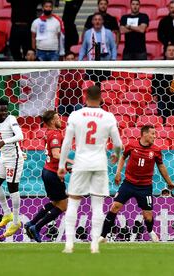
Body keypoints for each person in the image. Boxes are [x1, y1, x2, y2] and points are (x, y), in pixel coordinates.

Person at [58, 85, 122, 254]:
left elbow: (66, 142)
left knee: (73, 203)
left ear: (85, 98)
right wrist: (115, 155)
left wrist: (61, 165)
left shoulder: (75, 115)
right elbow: (118, 144)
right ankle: (94, 245)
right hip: (99, 164)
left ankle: (69, 244)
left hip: (80, 163)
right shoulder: (108, 116)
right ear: (101, 98)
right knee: (98, 206)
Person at [99, 125, 174, 243]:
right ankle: (103, 236)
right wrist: (118, 172)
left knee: (147, 216)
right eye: (153, 134)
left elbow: (161, 166)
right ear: (144, 134)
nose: (155, 136)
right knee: (115, 207)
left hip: (145, 187)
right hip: (128, 183)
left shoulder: (156, 150)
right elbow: (123, 157)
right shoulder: (131, 146)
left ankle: (150, 231)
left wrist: (169, 182)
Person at [25, 111, 72, 242]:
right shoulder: (55, 134)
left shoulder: (49, 133)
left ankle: (31, 223)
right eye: (57, 118)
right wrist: (73, 161)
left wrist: (66, 167)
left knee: (55, 202)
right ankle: (37, 227)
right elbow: (56, 154)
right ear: (51, 121)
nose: (60, 120)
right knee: (63, 205)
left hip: (48, 171)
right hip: (52, 174)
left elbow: (53, 157)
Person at [0, 99, 25, 239]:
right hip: (3, 157)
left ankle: (16, 221)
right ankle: (7, 213)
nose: (4, 113)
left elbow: (20, 136)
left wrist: (4, 142)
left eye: (6, 110)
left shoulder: (11, 119)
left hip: (14, 158)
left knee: (12, 188)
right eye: (1, 110)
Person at [152, 45, 174, 123]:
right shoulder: (159, 67)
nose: (171, 52)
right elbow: (154, 82)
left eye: (173, 50)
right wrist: (154, 93)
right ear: (165, 53)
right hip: (163, 98)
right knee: (163, 121)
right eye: (169, 50)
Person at [58, 51, 84, 116]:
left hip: (76, 101)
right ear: (64, 60)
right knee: (60, 108)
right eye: (68, 59)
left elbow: (78, 84)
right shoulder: (60, 71)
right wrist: (73, 82)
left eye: (72, 59)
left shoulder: (80, 70)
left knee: (78, 107)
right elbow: (60, 84)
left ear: (75, 60)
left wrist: (65, 83)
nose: (70, 61)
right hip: (63, 102)